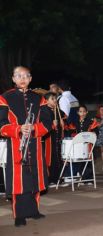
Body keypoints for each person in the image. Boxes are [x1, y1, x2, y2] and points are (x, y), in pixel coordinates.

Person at [0, 66, 52, 227]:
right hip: (17, 145)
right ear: (13, 79)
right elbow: (1, 124)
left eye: (26, 76)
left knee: (35, 178)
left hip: (35, 144)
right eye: (18, 76)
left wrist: (35, 128)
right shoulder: (4, 98)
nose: (22, 78)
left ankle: (33, 211)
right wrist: (18, 129)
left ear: (30, 79)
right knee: (18, 181)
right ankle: (19, 215)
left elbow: (48, 122)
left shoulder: (39, 98)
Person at [66, 105, 99, 184]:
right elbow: (71, 133)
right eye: (81, 112)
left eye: (84, 111)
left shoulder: (91, 122)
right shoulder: (74, 122)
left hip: (88, 145)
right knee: (80, 162)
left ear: (87, 112)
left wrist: (92, 135)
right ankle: (81, 178)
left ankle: (89, 179)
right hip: (78, 146)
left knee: (88, 162)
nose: (82, 113)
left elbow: (96, 132)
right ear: (78, 113)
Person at [42, 92, 66, 188]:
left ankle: (58, 178)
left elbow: (65, 118)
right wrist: (52, 124)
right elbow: (42, 124)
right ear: (46, 100)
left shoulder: (58, 110)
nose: (55, 100)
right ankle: (49, 179)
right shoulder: (43, 110)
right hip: (48, 138)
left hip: (57, 138)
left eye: (55, 98)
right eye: (52, 99)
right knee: (49, 158)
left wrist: (62, 123)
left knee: (57, 157)